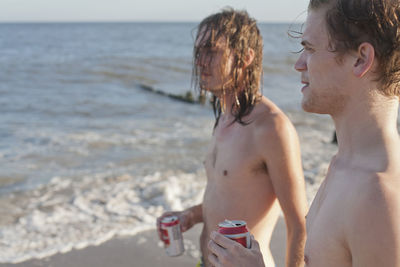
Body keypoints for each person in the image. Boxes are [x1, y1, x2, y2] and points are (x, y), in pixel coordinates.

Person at [209, 0, 400, 266]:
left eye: (309, 49)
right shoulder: (344, 165)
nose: (299, 64)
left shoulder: (379, 197)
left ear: (361, 59)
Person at [156, 8, 308, 267]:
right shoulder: (224, 119)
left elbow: (299, 225)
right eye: (198, 52)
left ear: (245, 57)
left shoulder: (271, 127)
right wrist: (190, 216)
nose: (200, 61)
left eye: (211, 51)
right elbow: (229, 197)